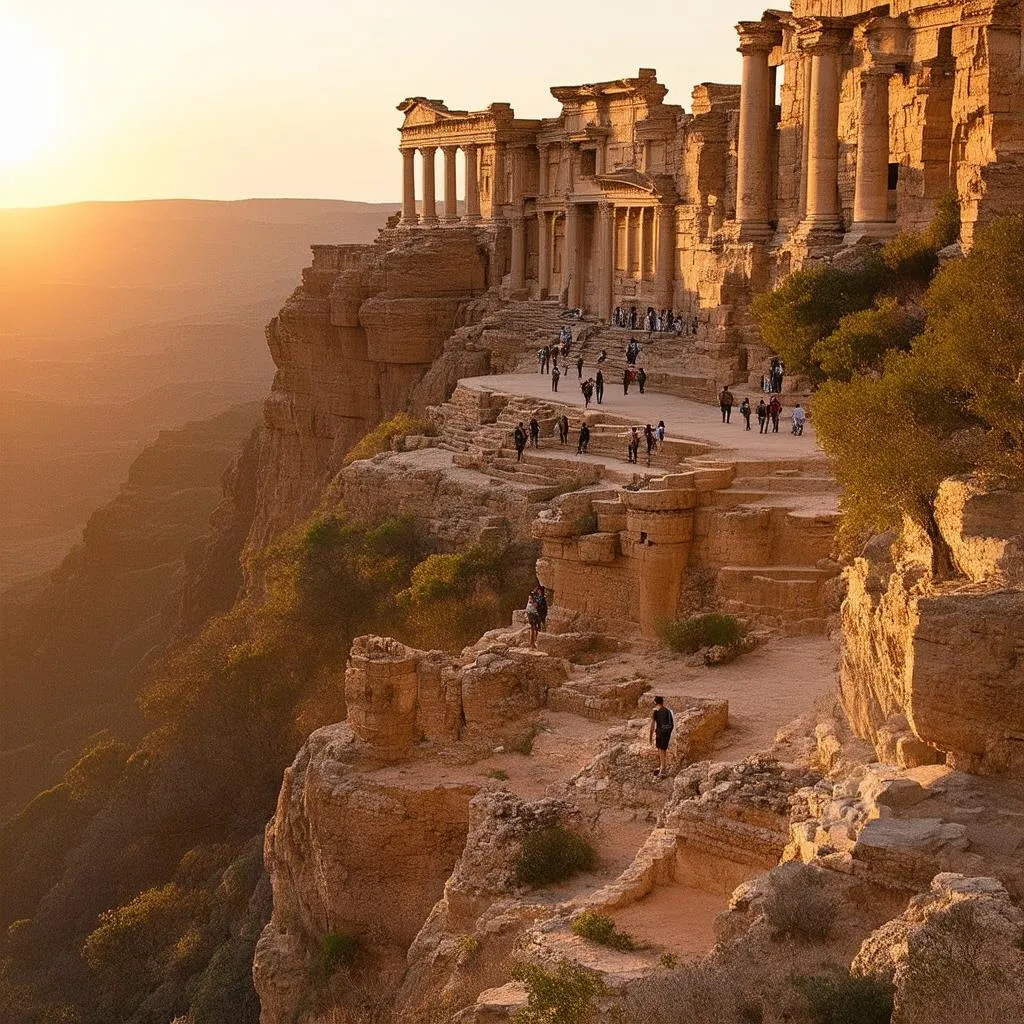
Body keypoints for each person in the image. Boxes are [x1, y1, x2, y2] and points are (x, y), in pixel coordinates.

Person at [649, 695, 674, 778]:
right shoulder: (668, 711)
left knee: (661, 750)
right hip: (666, 733)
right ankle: (663, 767)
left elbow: (652, 725)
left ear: (655, 703)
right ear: (662, 702)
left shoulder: (655, 711)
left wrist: (650, 737)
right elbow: (672, 724)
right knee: (663, 749)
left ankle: (663, 769)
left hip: (660, 733)